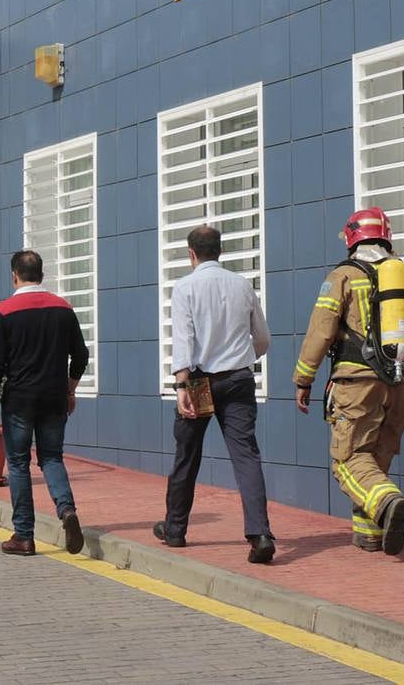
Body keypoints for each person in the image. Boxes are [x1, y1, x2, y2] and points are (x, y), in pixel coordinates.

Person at [293, 207, 404, 556]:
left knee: (349, 459)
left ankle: (387, 500)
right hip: (398, 383)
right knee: (376, 458)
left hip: (356, 383)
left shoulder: (343, 277)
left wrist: (304, 377)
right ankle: (370, 534)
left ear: (352, 237)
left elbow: (322, 329)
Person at [153, 226, 275, 564]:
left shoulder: (186, 287)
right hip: (238, 378)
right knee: (246, 455)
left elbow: (184, 340)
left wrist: (181, 386)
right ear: (218, 251)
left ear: (191, 253)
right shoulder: (241, 285)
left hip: (199, 381)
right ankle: (260, 533)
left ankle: (175, 529)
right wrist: (242, 358)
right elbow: (262, 338)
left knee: (187, 455)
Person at [0, 249, 88, 557]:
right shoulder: (63, 308)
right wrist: (70, 389)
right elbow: (80, 355)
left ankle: (24, 535)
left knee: (17, 463)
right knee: (52, 458)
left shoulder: (4, 311)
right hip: (54, 396)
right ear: (42, 274)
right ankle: (66, 509)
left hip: (20, 399)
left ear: (14, 275)